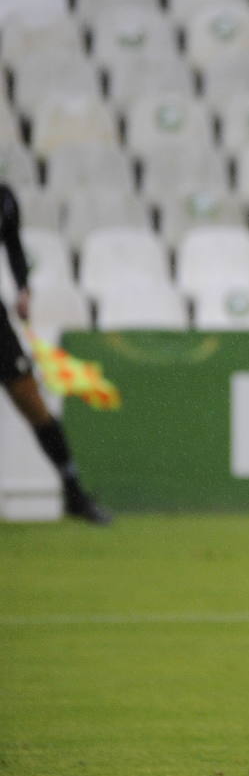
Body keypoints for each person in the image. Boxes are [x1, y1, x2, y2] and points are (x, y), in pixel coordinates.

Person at [1, 184, 110, 525]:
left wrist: (22, 287)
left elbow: (13, 247)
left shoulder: (4, 199)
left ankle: (74, 492)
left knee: (31, 401)